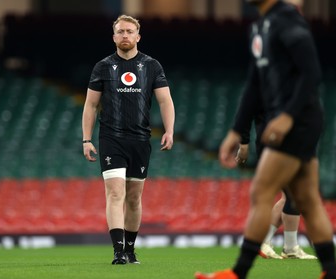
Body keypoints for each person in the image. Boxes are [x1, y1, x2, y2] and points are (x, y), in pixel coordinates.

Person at [194, 0, 336, 278]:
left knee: (261, 192)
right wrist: (237, 130)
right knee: (307, 199)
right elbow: (255, 83)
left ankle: (239, 272)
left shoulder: (287, 19)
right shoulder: (260, 25)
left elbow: (312, 73)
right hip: (296, 120)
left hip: (298, 120)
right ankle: (330, 271)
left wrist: (288, 116)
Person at [82, 15, 175, 265]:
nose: (125, 35)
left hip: (140, 140)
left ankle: (131, 250)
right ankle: (118, 251)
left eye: (129, 31)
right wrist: (86, 139)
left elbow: (165, 100)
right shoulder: (102, 67)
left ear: (138, 36)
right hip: (111, 138)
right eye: (120, 31)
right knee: (115, 194)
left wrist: (169, 130)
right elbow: (91, 105)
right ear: (114, 37)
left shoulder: (152, 65)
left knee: (134, 198)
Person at [236, 123, 317, 260]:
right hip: (278, 147)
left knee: (287, 196)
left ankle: (265, 242)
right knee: (294, 194)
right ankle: (290, 248)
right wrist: (243, 143)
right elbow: (246, 113)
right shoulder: (278, 105)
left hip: (275, 146)